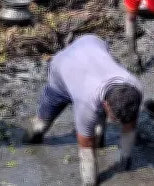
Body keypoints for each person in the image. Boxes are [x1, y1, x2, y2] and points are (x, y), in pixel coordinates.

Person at [23, 35, 143, 186]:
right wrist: (90, 182)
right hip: (61, 71)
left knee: (99, 133)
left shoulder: (134, 87)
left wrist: (126, 160)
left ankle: (102, 140)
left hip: (92, 43)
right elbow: (85, 146)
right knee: (39, 128)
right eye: (115, 118)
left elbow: (130, 125)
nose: (119, 123)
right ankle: (30, 137)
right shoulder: (87, 104)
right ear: (105, 105)